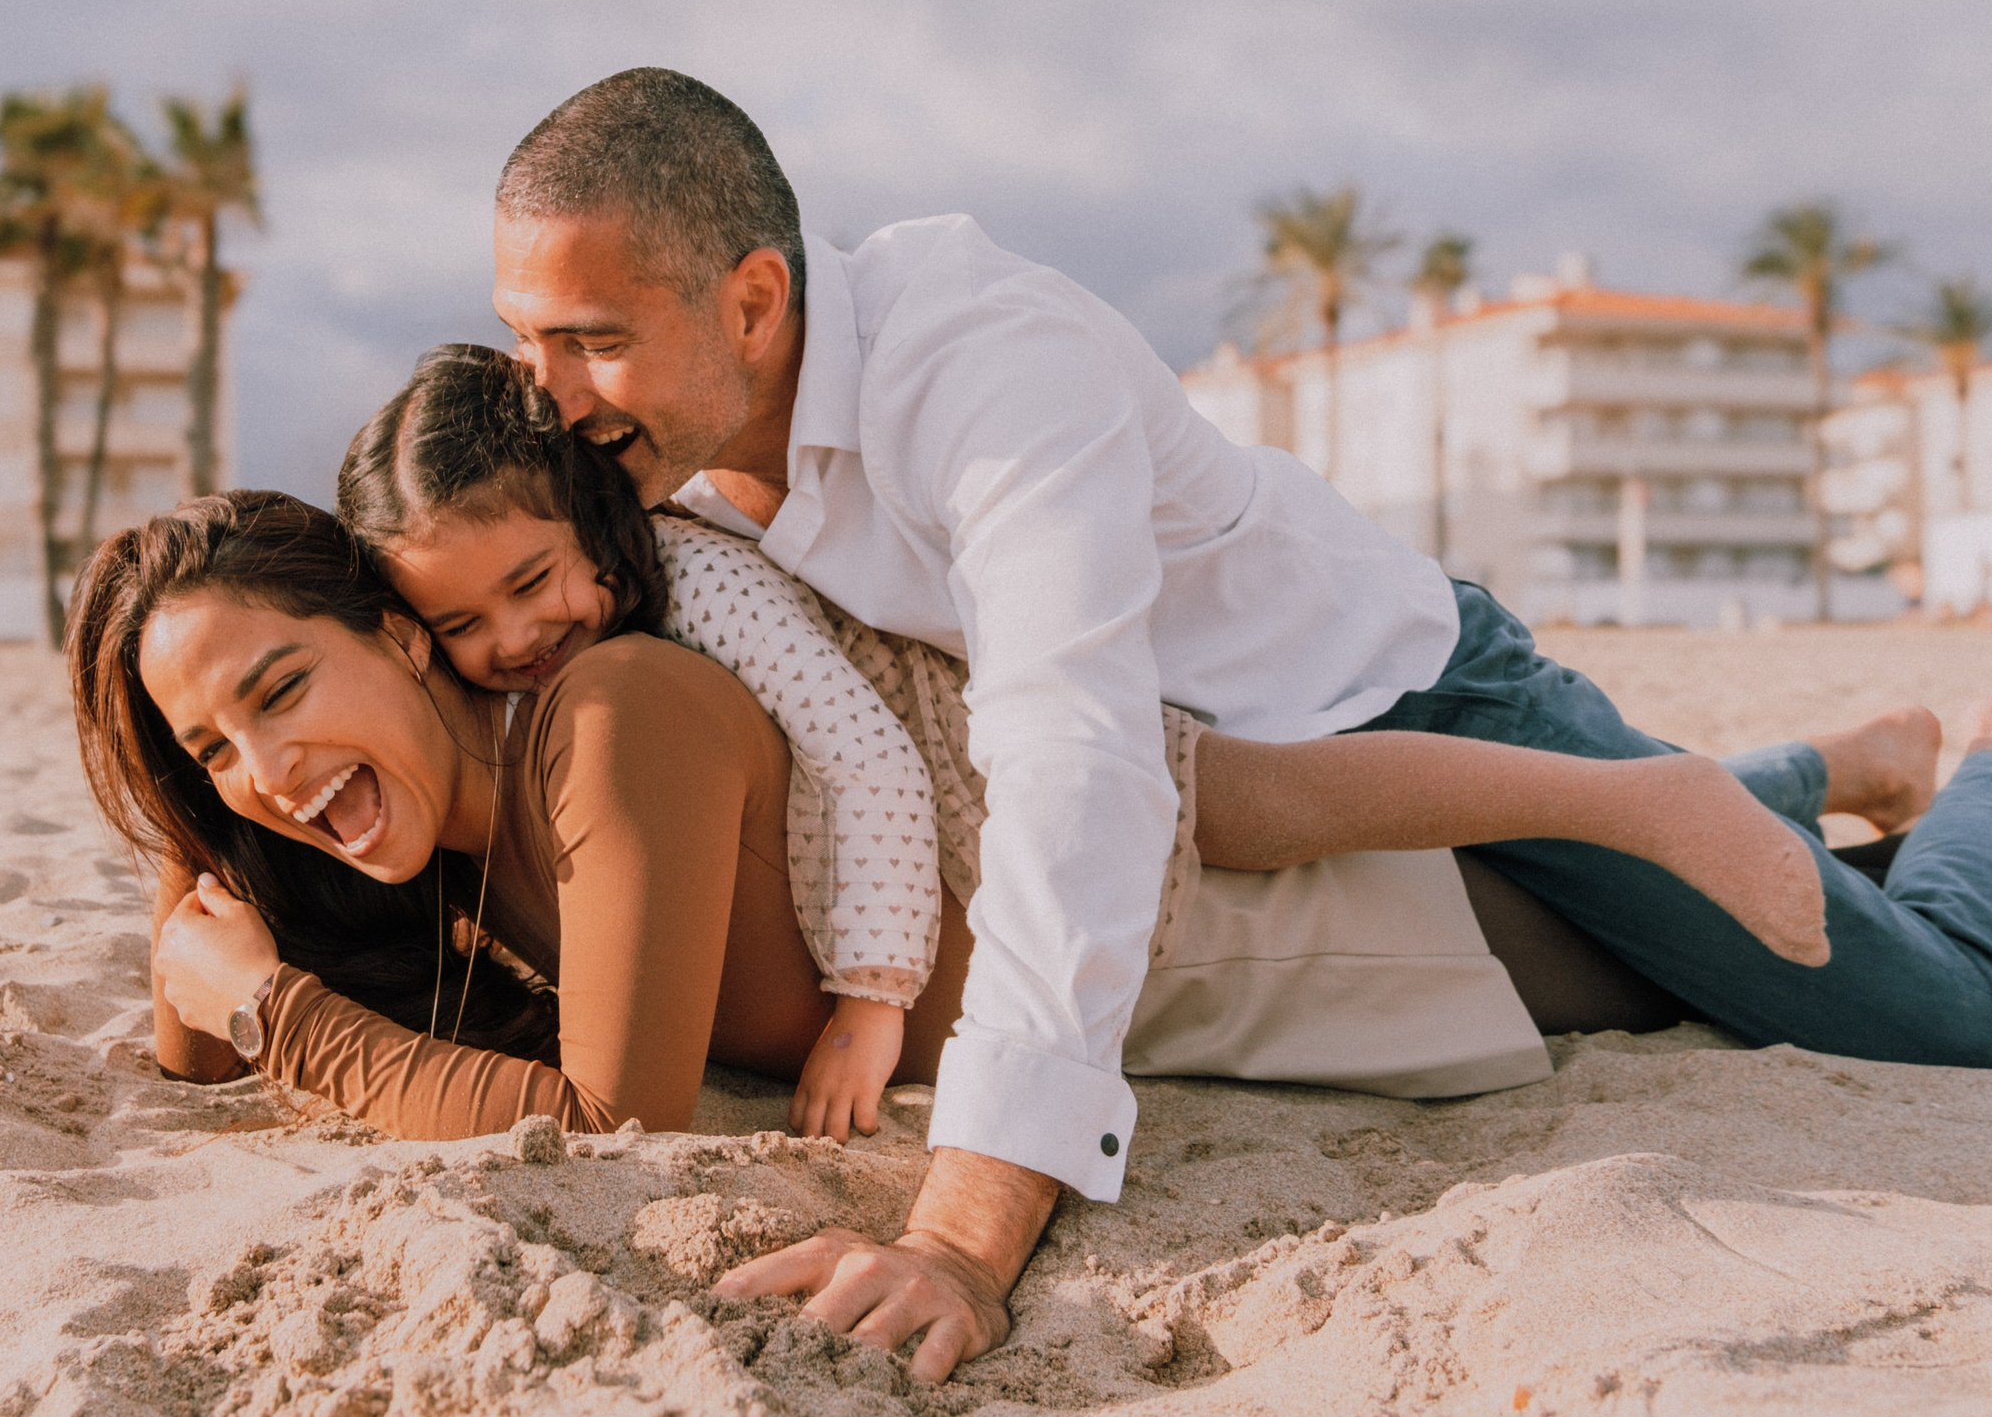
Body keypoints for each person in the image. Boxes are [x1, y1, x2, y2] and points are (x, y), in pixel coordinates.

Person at [482, 65, 1992, 1381]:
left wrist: (971, 1224)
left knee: (1953, 1022)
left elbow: (1067, 757)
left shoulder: (984, 366)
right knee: (1678, 955)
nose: (546, 392)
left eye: (591, 339)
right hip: (1264, 806)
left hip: (1417, 704)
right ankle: (1831, 768)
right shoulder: (656, 476)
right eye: (523, 340)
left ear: (758, 304)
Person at [331, 343, 1870, 1137]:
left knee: (1268, 811)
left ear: (588, 517)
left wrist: (873, 999)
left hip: (1000, 768)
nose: (514, 641)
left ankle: (1648, 796)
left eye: (532, 587)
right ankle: (1808, 777)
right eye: (467, 628)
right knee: (1298, 818)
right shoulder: (564, 659)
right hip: (981, 779)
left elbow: (859, 757)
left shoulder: (699, 586)